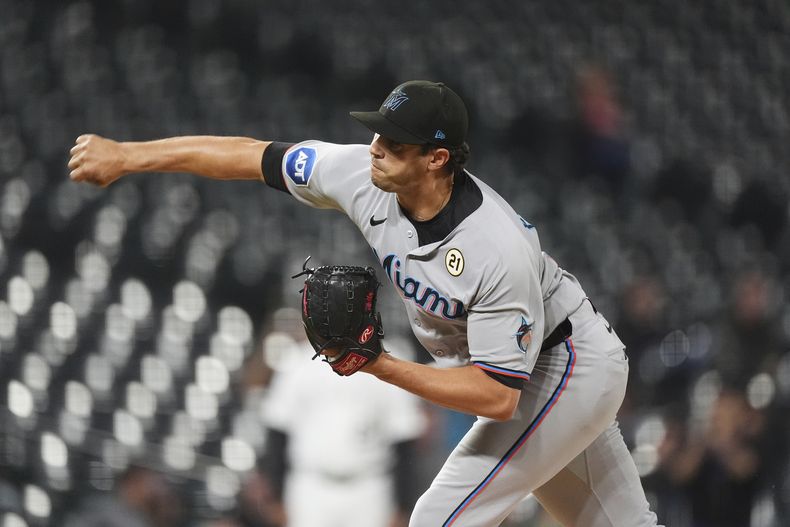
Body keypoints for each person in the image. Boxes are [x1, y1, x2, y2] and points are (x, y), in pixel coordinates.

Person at [68, 80, 661, 526]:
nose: (375, 147)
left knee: (438, 520)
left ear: (438, 159)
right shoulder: (360, 173)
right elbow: (252, 154)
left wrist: (377, 364)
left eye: (395, 142)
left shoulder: (495, 246)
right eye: (377, 132)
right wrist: (129, 156)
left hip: (564, 367)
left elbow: (498, 396)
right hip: (529, 372)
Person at [260, 310, 427, 527]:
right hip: (310, 486)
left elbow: (404, 441)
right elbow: (278, 432)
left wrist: (404, 506)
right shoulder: (297, 362)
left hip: (370, 487)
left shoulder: (389, 362)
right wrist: (275, 496)